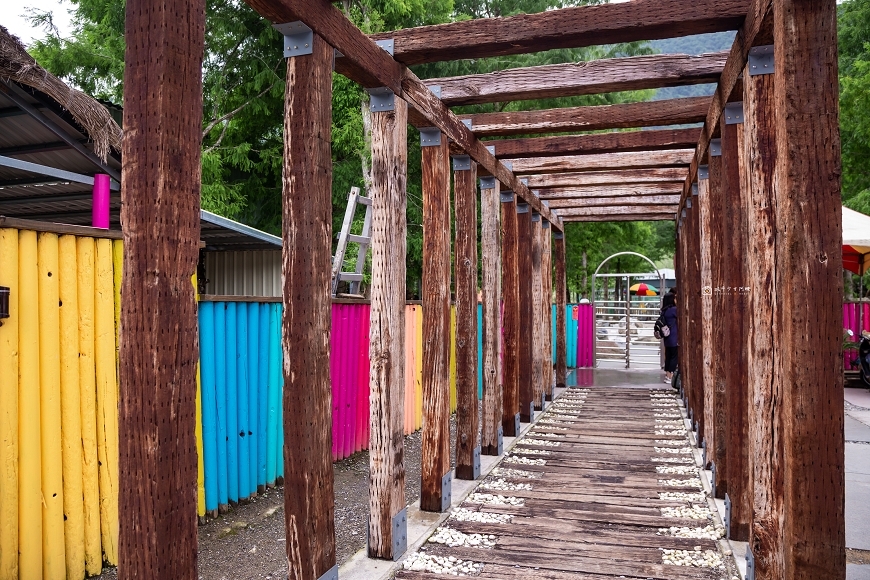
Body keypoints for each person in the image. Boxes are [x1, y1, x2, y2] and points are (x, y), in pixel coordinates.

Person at [660, 292, 678, 383]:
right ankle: (671, 376)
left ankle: (667, 375)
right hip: (674, 337)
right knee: (674, 357)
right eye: (675, 298)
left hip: (667, 337)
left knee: (669, 356)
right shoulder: (674, 310)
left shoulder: (664, 310)